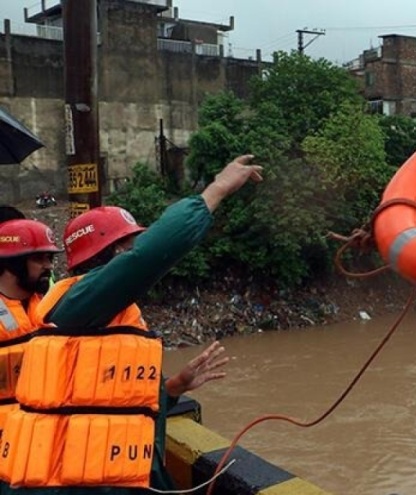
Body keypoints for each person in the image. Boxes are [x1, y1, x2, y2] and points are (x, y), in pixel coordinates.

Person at [1, 155, 264, 494]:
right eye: (126, 246)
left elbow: (100, 396)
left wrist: (174, 387)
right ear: (106, 258)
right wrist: (216, 191)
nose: (133, 250)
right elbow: (148, 257)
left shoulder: (97, 311)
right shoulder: (79, 303)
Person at [0, 218, 63, 495]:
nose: (48, 266)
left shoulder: (53, 305)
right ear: (11, 264)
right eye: (39, 258)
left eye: (50, 258)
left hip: (48, 439)